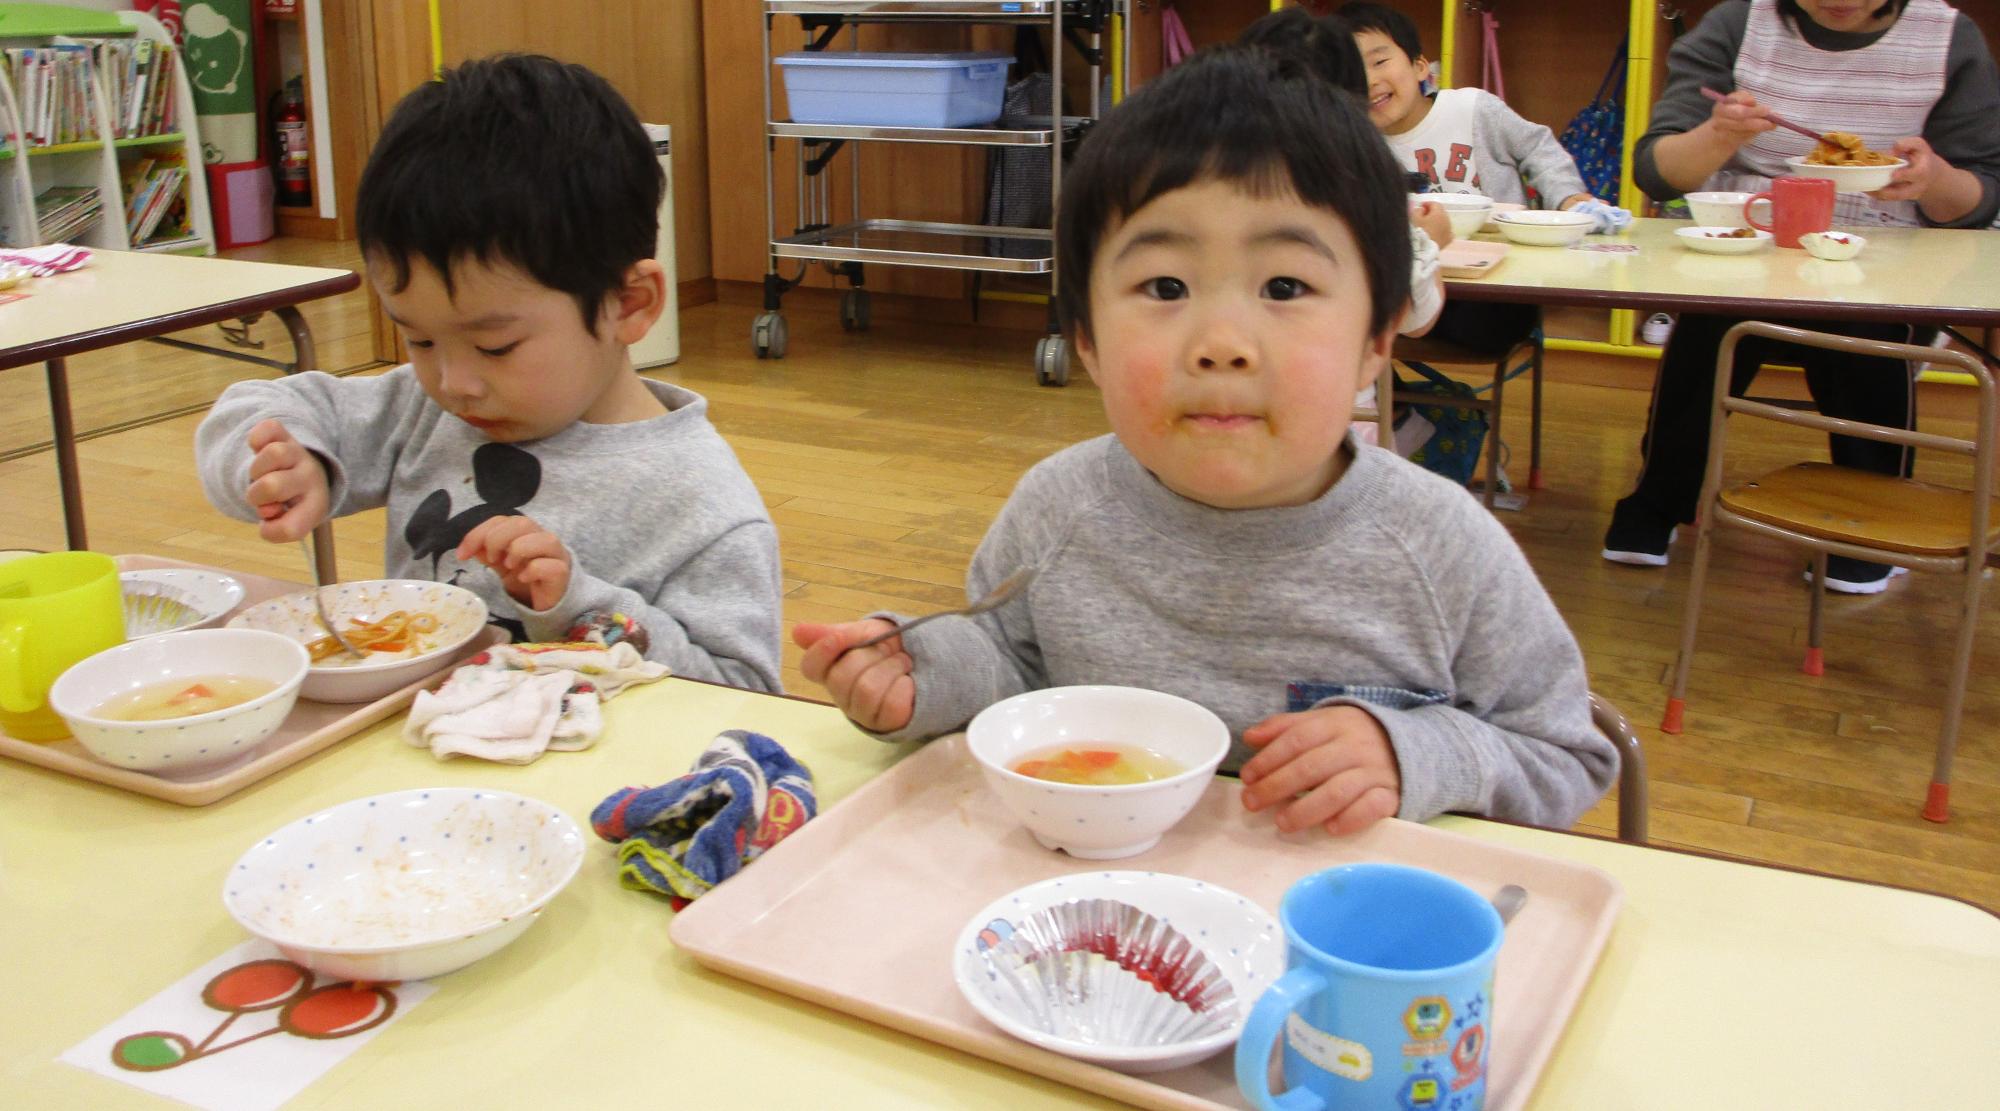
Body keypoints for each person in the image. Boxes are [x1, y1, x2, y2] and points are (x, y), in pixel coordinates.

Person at [790, 47, 1617, 835]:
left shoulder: (1442, 545)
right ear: (1086, 340)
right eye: (1165, 286)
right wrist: (923, 672)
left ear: (1377, 336)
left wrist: (1418, 754)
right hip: (1102, 912)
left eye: (1285, 286)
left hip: (1330, 932)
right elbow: (1012, 664)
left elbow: (1565, 755)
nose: (1222, 341)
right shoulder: (1059, 507)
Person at [196, 55, 784, 690]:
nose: (454, 383)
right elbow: (258, 404)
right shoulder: (419, 410)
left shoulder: (701, 503)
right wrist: (283, 462)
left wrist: (580, 605)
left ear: (629, 304)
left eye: (497, 345)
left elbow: (746, 696)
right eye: (417, 337)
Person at [1604, 0, 2000, 593]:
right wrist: (1717, 134)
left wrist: (1935, 179)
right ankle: (1659, 497)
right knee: (1709, 330)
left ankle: (1872, 523)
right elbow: (1657, 172)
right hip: (1750, 249)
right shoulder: (1740, 23)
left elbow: (1981, 196)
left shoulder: (1947, 36)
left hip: (1893, 259)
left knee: (1869, 335)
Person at [1337, 2, 1631, 356]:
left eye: (1380, 61)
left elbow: (1538, 147)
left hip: (1496, 291)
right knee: (1344, 329)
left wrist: (1568, 198)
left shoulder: (1472, 109)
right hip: (1416, 286)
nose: (1368, 81)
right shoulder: (1358, 144)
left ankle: (1401, 404)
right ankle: (1399, 410)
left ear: (1418, 67)